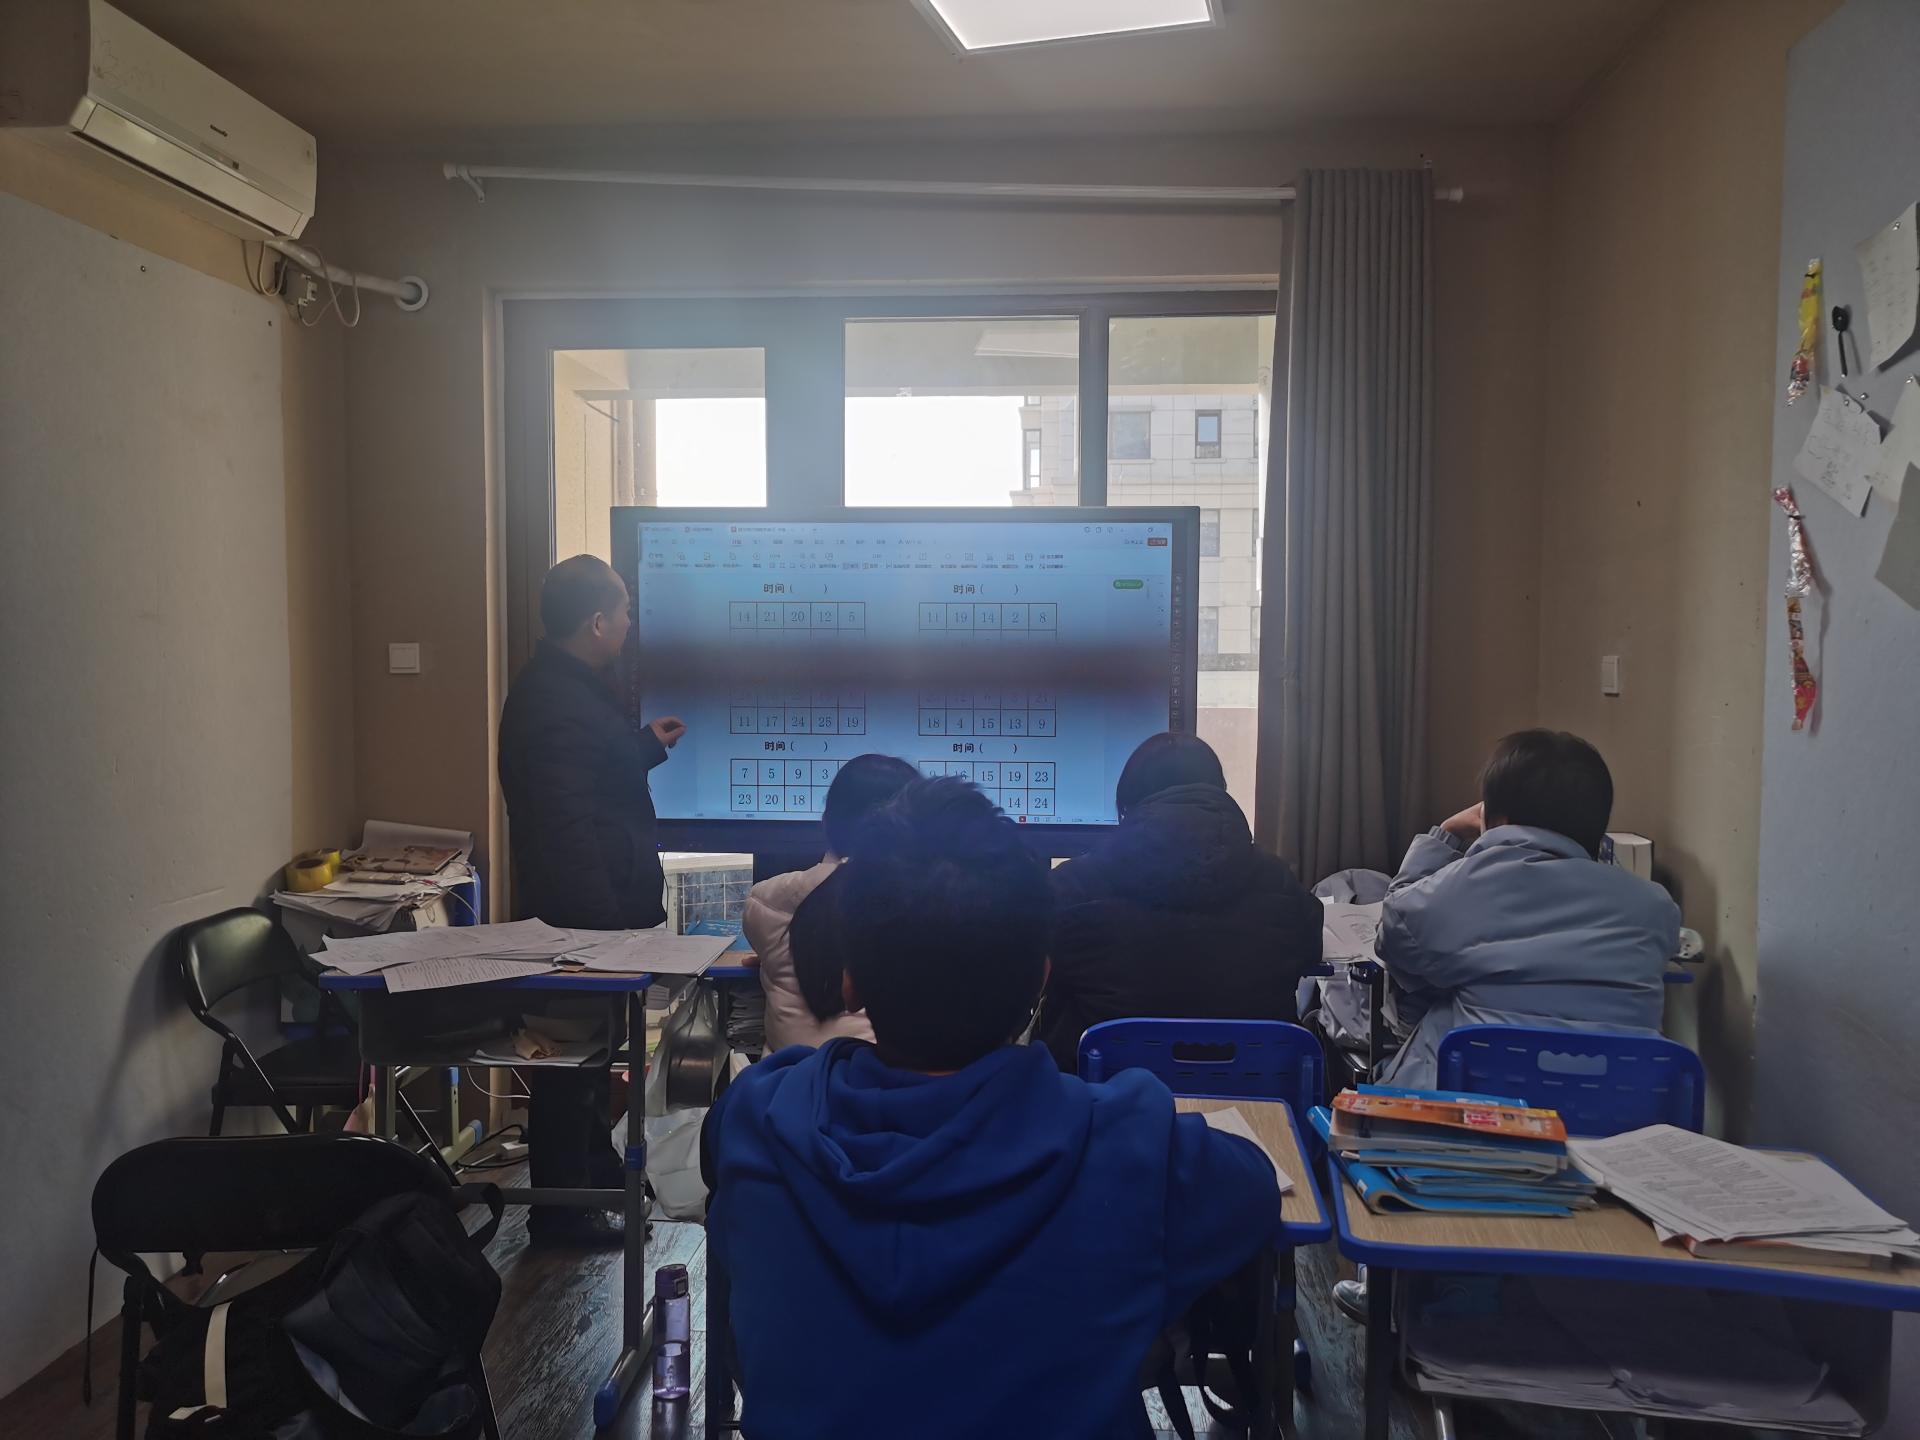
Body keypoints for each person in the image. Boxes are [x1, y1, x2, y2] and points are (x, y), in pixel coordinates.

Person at [701, 778, 1281, 1438]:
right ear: (1040, 978)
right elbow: (1255, 1191)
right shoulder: (1132, 1147)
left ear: (850, 981)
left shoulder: (757, 1117)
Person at [497, 554, 685, 1246]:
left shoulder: (568, 687)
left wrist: (643, 748)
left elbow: (588, 778)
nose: (632, 623)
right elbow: (565, 828)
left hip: (597, 918)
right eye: (626, 611)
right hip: (582, 924)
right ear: (598, 622)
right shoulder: (554, 701)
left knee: (592, 1059)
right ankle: (561, 1214)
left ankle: (595, 1178)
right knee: (568, 1066)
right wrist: (606, 935)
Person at [1377, 728, 1682, 1091]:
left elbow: (1394, 933)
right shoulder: (1654, 906)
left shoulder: (1468, 886)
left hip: (1483, 1105)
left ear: (1495, 818)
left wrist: (1445, 834)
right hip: (1618, 1106)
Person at [1039, 733, 1322, 1072]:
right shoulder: (1279, 882)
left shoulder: (1072, 887)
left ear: (1127, 802)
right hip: (1259, 1093)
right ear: (1218, 791)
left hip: (1105, 1093)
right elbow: (1309, 953)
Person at [740, 753, 917, 1052]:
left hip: (790, 1077)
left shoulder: (764, 902)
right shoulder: (927, 902)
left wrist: (778, 954)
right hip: (888, 1075)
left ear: (825, 823)